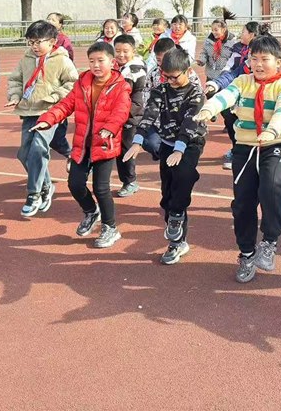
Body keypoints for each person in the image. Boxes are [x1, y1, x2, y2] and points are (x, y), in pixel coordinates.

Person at [195, 35, 281, 283]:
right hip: (245, 147)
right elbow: (226, 96)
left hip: (274, 145)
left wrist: (272, 131)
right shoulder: (243, 81)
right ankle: (247, 253)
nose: (258, 64)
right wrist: (209, 108)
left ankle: (269, 241)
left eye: (265, 59)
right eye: (254, 59)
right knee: (243, 203)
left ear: (278, 61)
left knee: (272, 188)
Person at [32, 41, 132, 249]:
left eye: (100, 61)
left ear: (112, 62)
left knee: (101, 188)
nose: (96, 65)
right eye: (91, 61)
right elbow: (66, 104)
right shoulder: (83, 82)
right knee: (75, 184)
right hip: (82, 144)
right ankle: (91, 211)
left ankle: (110, 227)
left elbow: (121, 111)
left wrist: (110, 128)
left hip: (104, 145)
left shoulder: (121, 86)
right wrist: (48, 119)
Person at [124, 47, 208, 265]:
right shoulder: (160, 90)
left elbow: (190, 123)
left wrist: (180, 148)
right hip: (168, 143)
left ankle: (176, 233)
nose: (170, 81)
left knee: (183, 177)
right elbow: (150, 114)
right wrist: (138, 140)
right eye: (166, 76)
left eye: (174, 77)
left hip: (190, 143)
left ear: (188, 71)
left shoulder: (196, 93)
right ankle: (178, 237)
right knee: (168, 195)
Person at [5, 20, 78, 218]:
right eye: (31, 42)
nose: (34, 46)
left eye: (39, 42)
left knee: (38, 148)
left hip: (51, 111)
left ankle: (33, 194)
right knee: (24, 154)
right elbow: (15, 79)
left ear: (52, 41)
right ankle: (46, 186)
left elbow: (73, 83)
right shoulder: (26, 58)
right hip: (29, 111)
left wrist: (54, 97)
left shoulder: (62, 60)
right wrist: (15, 96)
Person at [204, 21, 268, 171]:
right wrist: (217, 83)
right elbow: (233, 70)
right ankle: (237, 150)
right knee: (230, 117)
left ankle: (264, 152)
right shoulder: (239, 48)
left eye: (243, 31)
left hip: (259, 94)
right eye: (253, 58)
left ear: (252, 35)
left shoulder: (264, 51)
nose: (240, 34)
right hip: (239, 89)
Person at [114, 33, 147, 198]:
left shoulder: (135, 70)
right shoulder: (117, 67)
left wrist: (123, 116)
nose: (121, 54)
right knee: (117, 149)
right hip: (117, 115)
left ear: (133, 51)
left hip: (130, 117)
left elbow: (136, 100)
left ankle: (130, 181)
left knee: (126, 150)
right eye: (117, 51)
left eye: (125, 51)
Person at [197, 18, 236, 87]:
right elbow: (204, 52)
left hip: (224, 78)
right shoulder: (209, 40)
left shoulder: (232, 42)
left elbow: (234, 59)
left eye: (216, 30)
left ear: (223, 29)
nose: (213, 32)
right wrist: (202, 60)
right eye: (212, 30)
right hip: (210, 75)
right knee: (209, 93)